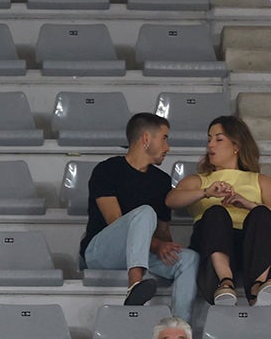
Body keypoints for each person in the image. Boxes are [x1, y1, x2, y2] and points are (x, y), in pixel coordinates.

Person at [80, 112, 201, 315]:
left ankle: (180, 327)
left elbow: (163, 232)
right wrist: (157, 245)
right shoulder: (107, 170)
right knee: (144, 212)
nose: (168, 147)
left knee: (190, 259)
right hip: (102, 252)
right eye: (164, 138)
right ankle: (135, 285)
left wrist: (168, 251)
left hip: (142, 251)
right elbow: (114, 221)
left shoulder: (162, 181)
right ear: (146, 138)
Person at [168, 115, 271, 307]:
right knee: (216, 212)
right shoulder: (199, 180)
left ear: (236, 145)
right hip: (214, 243)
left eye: (218, 139)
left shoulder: (260, 180)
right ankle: (224, 281)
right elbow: (172, 200)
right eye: (209, 139)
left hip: (250, 245)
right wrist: (206, 192)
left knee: (261, 213)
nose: (211, 145)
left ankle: (259, 285)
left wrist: (248, 204)